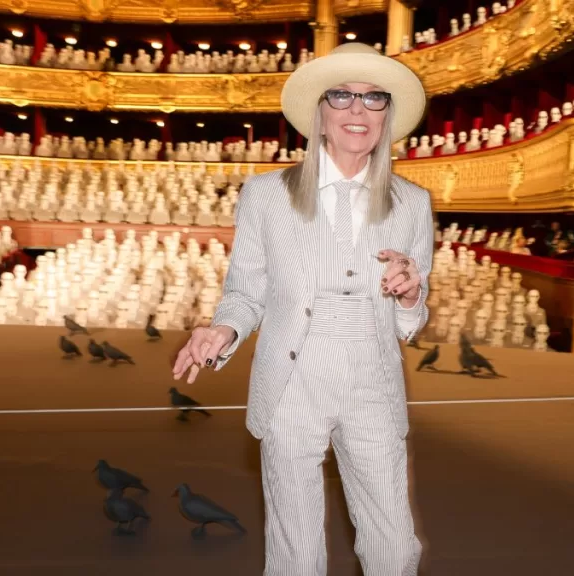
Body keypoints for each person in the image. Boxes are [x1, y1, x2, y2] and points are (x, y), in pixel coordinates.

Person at [171, 42, 432, 575]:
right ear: (320, 112)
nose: (358, 110)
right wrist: (223, 330)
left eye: (374, 98)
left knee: (394, 544)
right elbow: (246, 292)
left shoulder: (413, 203)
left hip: (373, 378)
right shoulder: (265, 195)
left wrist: (410, 295)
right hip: (291, 378)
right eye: (342, 95)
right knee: (295, 549)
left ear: (387, 115)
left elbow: (410, 320)